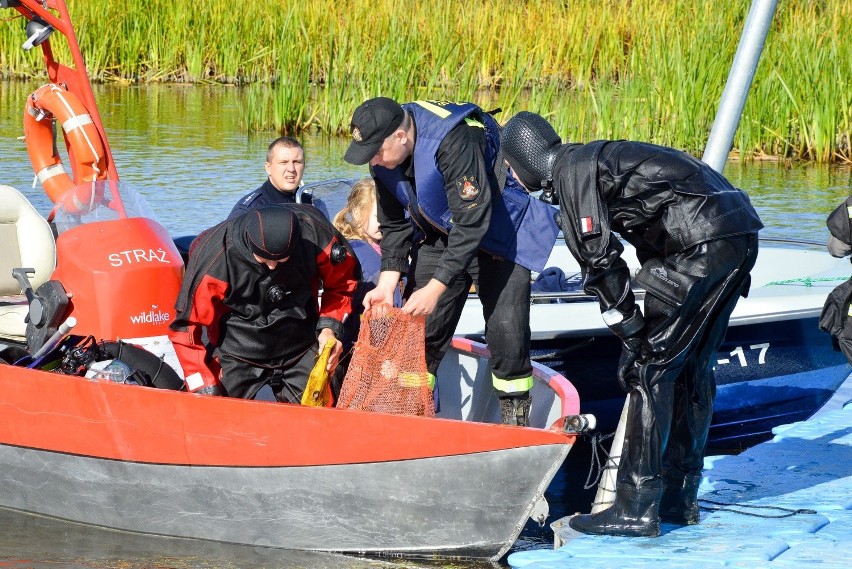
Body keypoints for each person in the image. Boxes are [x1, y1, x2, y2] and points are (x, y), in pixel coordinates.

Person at [500, 111, 763, 537]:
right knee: (692, 369)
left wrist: (631, 334)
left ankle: (636, 508)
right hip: (736, 232)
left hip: (700, 244)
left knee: (650, 371)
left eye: (511, 168)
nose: (511, 176)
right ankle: (679, 498)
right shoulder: (595, 159)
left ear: (524, 161)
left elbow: (600, 263)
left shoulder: (573, 174)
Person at [343, 97, 560, 426]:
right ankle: (411, 417)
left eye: (376, 151)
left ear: (401, 137)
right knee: (420, 334)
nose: (372, 159)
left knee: (507, 333)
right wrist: (387, 282)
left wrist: (435, 288)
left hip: (497, 235)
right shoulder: (383, 158)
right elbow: (395, 226)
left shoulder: (456, 141)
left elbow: (472, 224)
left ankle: (515, 422)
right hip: (441, 235)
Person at [168, 205, 359, 403]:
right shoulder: (216, 257)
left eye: (281, 260)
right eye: (264, 260)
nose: (272, 267)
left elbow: (343, 284)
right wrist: (203, 384)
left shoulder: (314, 236)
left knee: (320, 415)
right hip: (237, 352)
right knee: (219, 419)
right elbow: (185, 327)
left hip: (300, 346)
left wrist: (329, 328)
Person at [332, 177, 403, 352]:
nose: (384, 222)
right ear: (357, 213)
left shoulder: (389, 248)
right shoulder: (354, 252)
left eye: (389, 216)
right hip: (362, 340)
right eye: (378, 216)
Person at [227, 136, 328, 220]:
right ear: (268, 168)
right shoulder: (249, 210)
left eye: (297, 162)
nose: (291, 169)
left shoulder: (314, 204)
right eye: (283, 162)